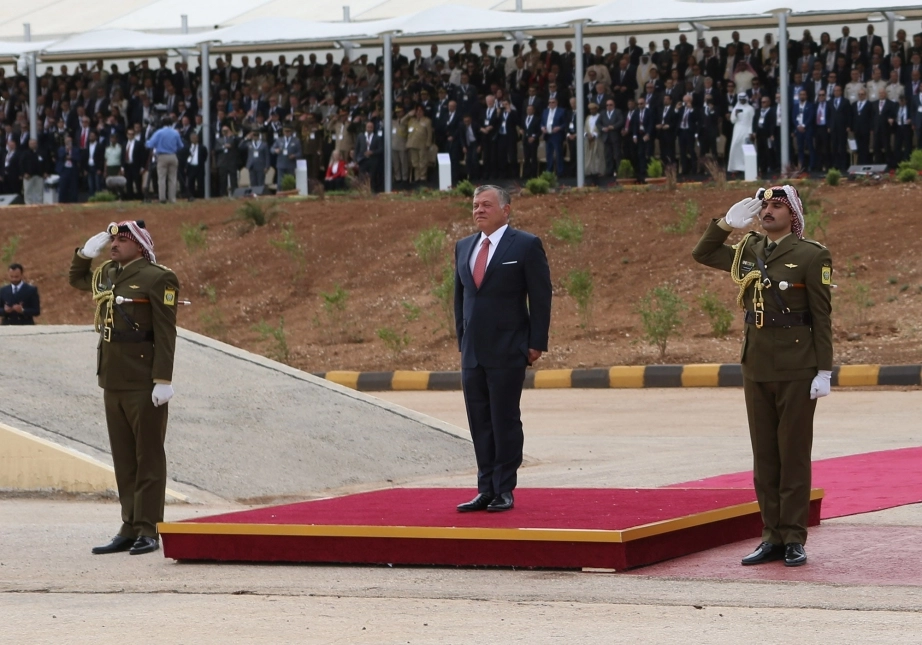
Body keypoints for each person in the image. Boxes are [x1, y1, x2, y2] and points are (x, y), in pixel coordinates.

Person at [692, 185, 833, 567]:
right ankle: (771, 535)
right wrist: (725, 224)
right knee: (765, 456)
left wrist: (824, 369)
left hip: (797, 365)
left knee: (793, 455)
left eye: (776, 206)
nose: (767, 211)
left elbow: (821, 316)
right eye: (764, 206)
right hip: (756, 365)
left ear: (793, 214)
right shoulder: (749, 249)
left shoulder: (811, 254)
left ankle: (794, 537)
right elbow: (703, 253)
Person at [69, 220, 180, 556]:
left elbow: (165, 332)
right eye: (112, 241)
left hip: (143, 380)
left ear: (140, 245)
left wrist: (163, 379)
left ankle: (148, 528)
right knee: (124, 458)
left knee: (148, 456)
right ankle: (129, 526)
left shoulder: (157, 278)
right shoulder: (107, 273)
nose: (113, 245)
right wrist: (84, 255)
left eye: (122, 240)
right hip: (112, 378)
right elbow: (77, 280)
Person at [453, 185, 552, 513]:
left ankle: (504, 488)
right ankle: (485, 488)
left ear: (506, 210)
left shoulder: (525, 245)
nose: (479, 210)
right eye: (475, 205)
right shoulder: (464, 247)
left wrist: (536, 342)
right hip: (473, 353)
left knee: (504, 420)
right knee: (479, 422)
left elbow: (541, 296)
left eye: (486, 205)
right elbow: (460, 299)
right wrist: (462, 340)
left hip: (508, 349)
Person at [144, 119, 183, 203]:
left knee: (161, 178)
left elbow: (150, 144)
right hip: (173, 155)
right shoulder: (175, 133)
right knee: (172, 178)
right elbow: (180, 146)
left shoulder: (159, 132)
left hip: (162, 156)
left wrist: (147, 141)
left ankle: (162, 198)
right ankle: (172, 198)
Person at [727, 93, 755, 175]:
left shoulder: (750, 108)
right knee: (735, 146)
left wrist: (750, 132)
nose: (742, 100)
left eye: (743, 99)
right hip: (737, 129)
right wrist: (735, 114)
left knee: (745, 147)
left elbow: (751, 121)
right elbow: (732, 120)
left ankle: (745, 167)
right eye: (740, 99)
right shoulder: (736, 108)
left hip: (746, 129)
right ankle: (735, 167)